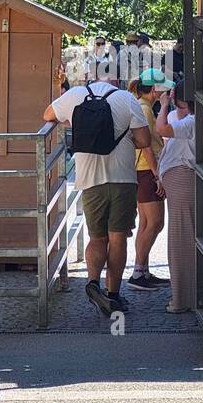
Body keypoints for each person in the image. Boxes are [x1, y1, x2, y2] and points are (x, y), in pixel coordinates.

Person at [45, 74, 151, 314]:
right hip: (123, 177)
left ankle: (93, 282)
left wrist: (75, 124)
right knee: (117, 238)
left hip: (89, 178)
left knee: (96, 237)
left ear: (91, 83)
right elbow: (144, 140)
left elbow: (48, 116)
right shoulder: (126, 98)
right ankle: (113, 294)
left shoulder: (75, 95)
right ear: (117, 84)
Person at [127, 68, 173, 291]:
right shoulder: (144, 110)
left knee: (148, 224)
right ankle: (137, 272)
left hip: (143, 171)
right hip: (146, 171)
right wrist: (157, 175)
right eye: (163, 86)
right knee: (154, 223)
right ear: (154, 89)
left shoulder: (141, 106)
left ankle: (142, 271)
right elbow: (145, 146)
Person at [156, 80, 196, 314]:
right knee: (181, 237)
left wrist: (163, 105)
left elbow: (161, 129)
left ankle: (182, 298)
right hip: (177, 178)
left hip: (181, 178)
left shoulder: (190, 121)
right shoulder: (186, 119)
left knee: (180, 239)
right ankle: (184, 295)